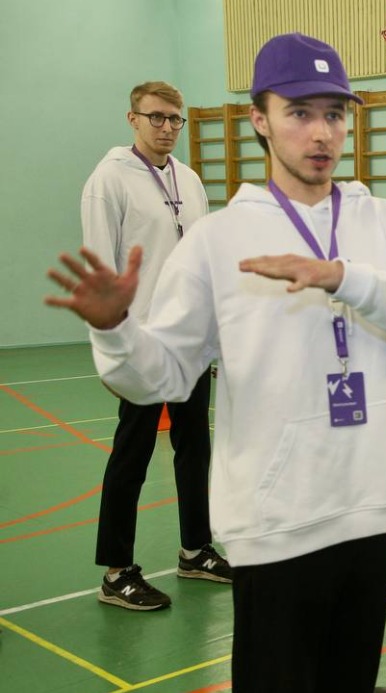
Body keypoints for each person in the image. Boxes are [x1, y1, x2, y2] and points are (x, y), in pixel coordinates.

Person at [46, 33, 386, 693]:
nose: (321, 131)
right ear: (259, 119)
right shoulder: (218, 240)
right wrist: (117, 327)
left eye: (334, 112)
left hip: (372, 510)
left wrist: (343, 276)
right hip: (276, 526)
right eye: (299, 111)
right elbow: (160, 375)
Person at [81, 80, 228, 611]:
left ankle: (196, 550)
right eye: (156, 118)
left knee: (195, 449)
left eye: (174, 120)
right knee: (133, 454)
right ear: (133, 118)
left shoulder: (188, 180)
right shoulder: (108, 181)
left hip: (188, 341)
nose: (167, 128)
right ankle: (117, 572)